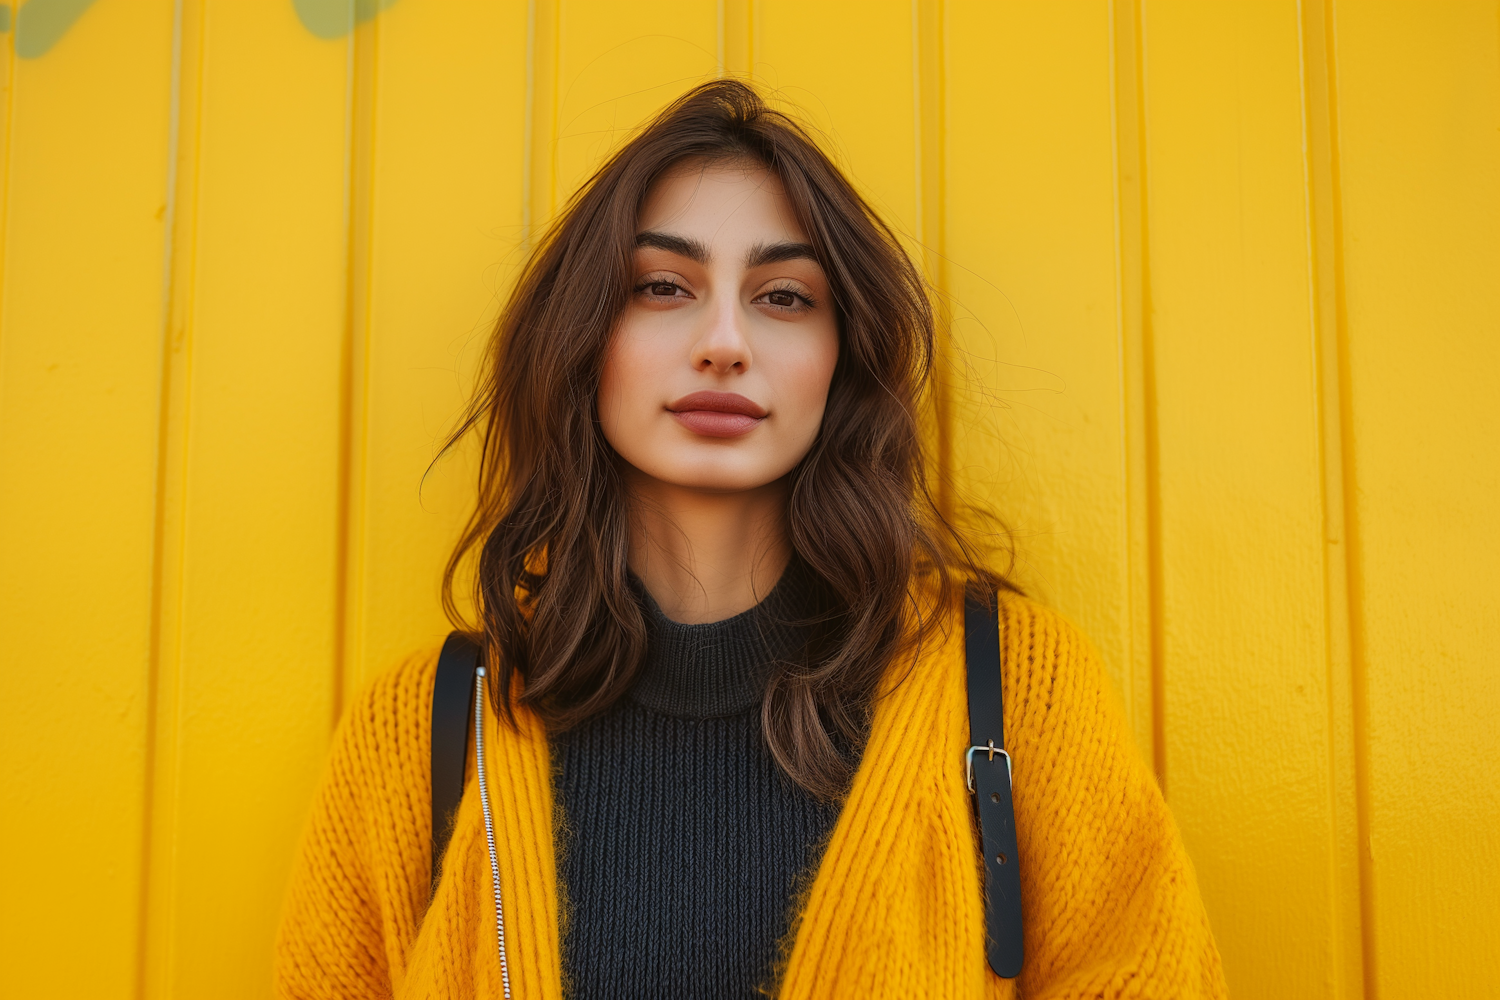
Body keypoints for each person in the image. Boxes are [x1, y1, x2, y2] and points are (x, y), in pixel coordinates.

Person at [274, 80, 1227, 1000]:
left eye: (783, 297)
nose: (724, 340)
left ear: (839, 359)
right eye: (661, 286)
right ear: (581, 339)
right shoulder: (430, 729)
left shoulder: (1012, 690)